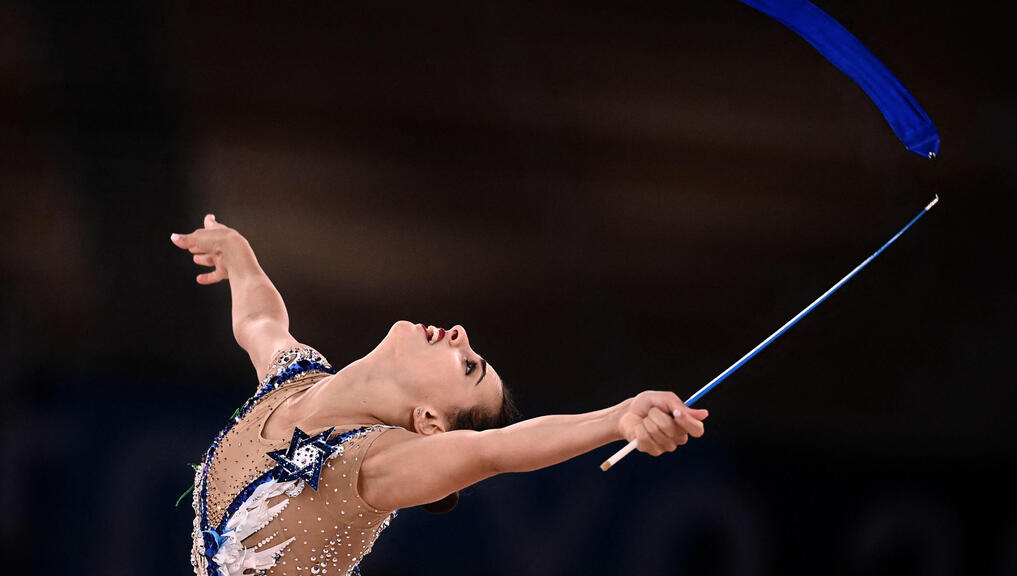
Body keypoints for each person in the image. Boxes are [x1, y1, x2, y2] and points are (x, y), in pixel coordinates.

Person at [172, 214, 709, 576]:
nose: (459, 334)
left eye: (469, 367)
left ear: (429, 422)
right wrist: (238, 255)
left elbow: (492, 450)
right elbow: (262, 320)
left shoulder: (373, 463)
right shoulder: (294, 377)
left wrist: (619, 418)